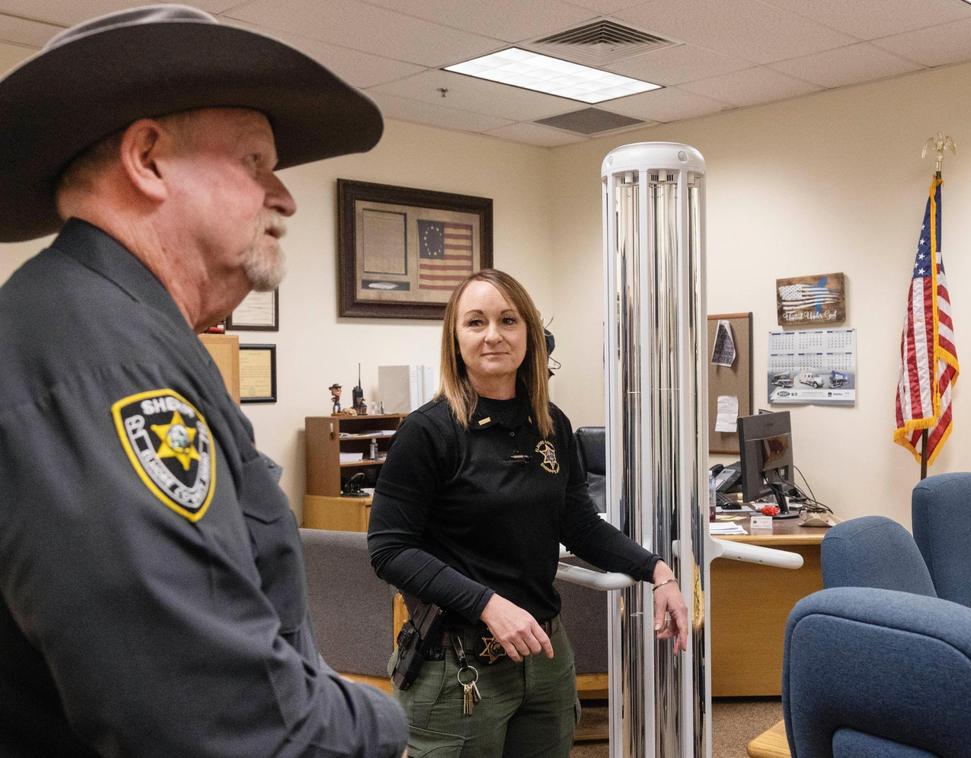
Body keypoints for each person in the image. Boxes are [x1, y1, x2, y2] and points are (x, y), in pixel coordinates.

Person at [0, 6, 407, 756]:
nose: (283, 197)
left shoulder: (113, 328)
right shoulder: (104, 361)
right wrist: (381, 726)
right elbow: (208, 714)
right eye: (255, 162)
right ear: (148, 160)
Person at [368, 269, 689, 757]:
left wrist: (657, 571)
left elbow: (578, 524)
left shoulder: (550, 424)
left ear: (529, 336)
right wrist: (487, 604)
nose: (493, 335)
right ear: (455, 340)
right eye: (475, 322)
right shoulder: (428, 432)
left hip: (544, 661)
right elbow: (390, 550)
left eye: (508, 320)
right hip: (459, 667)